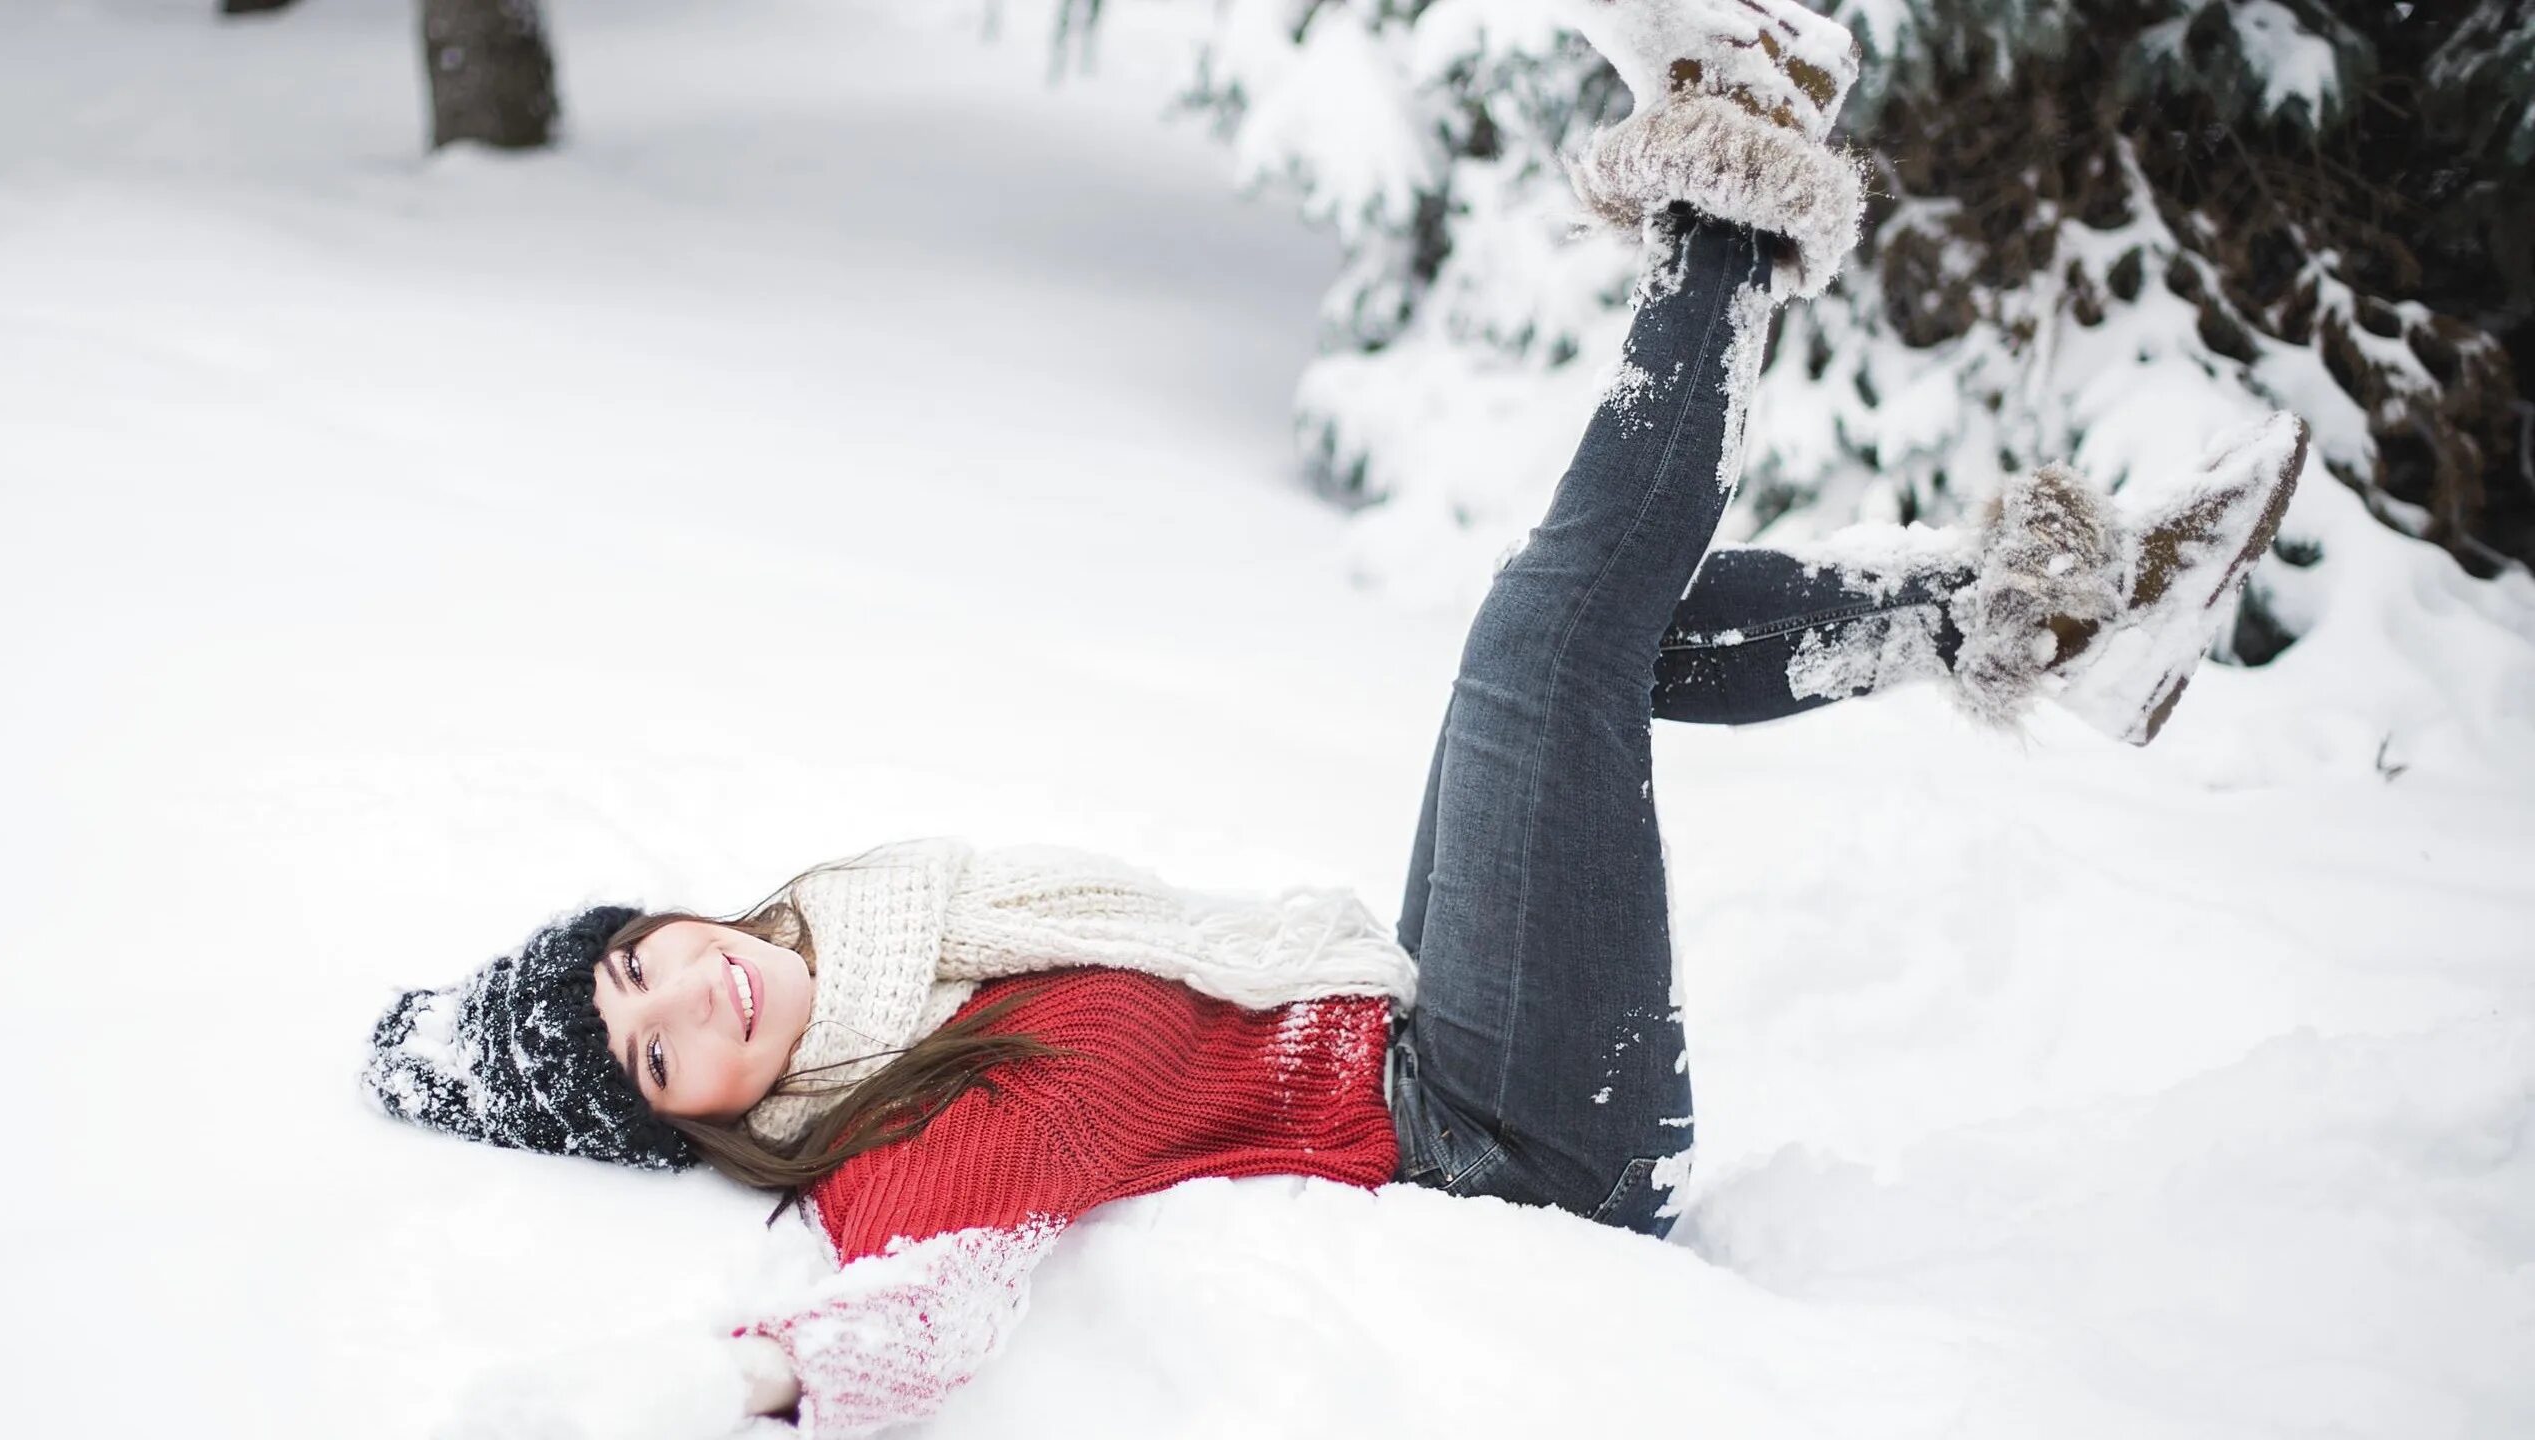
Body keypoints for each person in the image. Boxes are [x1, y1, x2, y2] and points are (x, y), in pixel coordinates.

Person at [363, 3, 2309, 1435]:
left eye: (633, 961)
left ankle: (2036, 622)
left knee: (1567, 642)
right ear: (698, 1129)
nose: (685, 994)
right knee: (1546, 635)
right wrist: (789, 1378)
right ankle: (1734, 166)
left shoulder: (886, 947)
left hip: (1399, 1023)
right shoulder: (892, 1125)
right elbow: (916, 1284)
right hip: (1496, 1135)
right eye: (651, 1060)